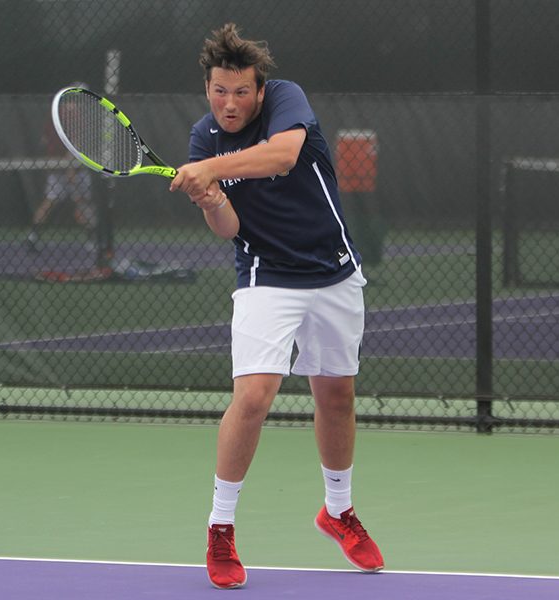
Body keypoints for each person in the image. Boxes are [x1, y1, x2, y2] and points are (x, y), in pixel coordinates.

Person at [169, 23, 384, 589]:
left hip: (333, 269)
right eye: (219, 90)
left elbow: (285, 156)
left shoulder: (287, 98)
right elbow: (228, 228)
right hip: (266, 278)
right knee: (254, 397)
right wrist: (211, 199)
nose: (230, 102)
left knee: (335, 394)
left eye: (241, 91)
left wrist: (212, 171)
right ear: (207, 88)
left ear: (260, 90)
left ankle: (338, 511)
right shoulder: (203, 137)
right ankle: (220, 528)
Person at [26, 84, 98, 255]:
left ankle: (33, 236)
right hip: (70, 168)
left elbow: (44, 141)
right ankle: (92, 241)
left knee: (53, 202)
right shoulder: (75, 116)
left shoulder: (55, 114)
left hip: (59, 166)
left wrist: (55, 162)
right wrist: (69, 169)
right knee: (81, 202)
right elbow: (74, 144)